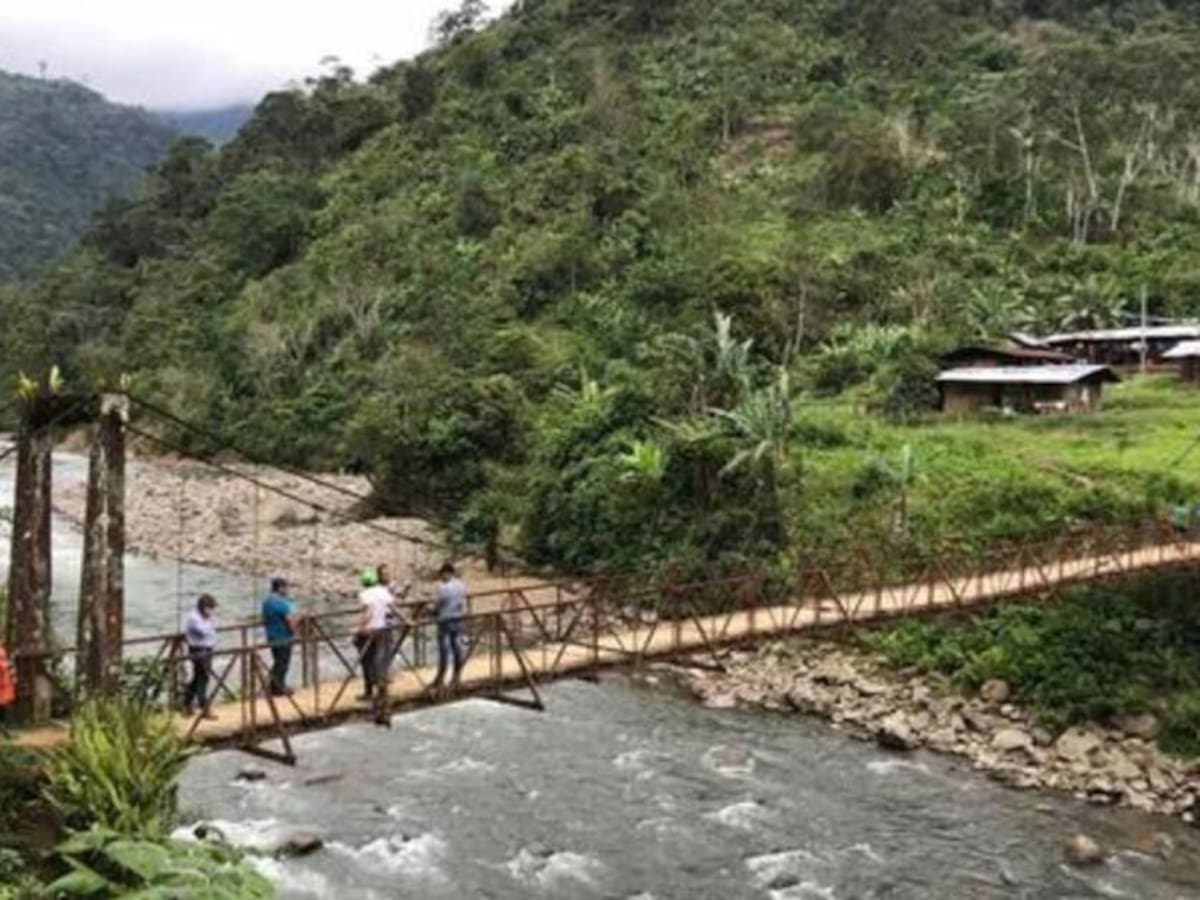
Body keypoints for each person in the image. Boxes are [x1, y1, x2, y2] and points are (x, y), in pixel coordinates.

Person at [355, 568, 395, 701]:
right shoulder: (383, 592)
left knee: (367, 661)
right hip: (383, 629)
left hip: (369, 631)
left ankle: (369, 691)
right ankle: (382, 690)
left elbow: (368, 612)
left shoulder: (364, 594)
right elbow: (392, 606)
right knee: (380, 659)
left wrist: (359, 627)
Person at [431, 562, 468, 691]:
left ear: (446, 573)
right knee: (457, 648)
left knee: (444, 650)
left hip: (445, 621)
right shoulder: (461, 585)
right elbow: (463, 602)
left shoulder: (442, 587)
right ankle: (456, 676)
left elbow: (437, 606)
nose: (441, 576)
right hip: (458, 619)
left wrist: (429, 611)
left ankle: (440, 679)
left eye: (442, 574)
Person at [262, 576, 300, 696]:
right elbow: (290, 620)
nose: (287, 590)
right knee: (283, 663)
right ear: (280, 588)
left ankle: (273, 685)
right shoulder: (280, 603)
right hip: (283, 636)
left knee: (278, 661)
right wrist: (296, 633)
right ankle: (279, 687)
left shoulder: (267, 601)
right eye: (285, 587)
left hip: (272, 635)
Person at [182, 594, 219, 718]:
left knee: (198, 677)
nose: (212, 611)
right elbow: (204, 632)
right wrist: (210, 621)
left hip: (207, 649)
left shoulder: (206, 617)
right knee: (203, 677)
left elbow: (213, 629)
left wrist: (210, 621)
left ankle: (187, 703)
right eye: (210, 608)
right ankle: (204, 707)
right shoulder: (194, 618)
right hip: (198, 649)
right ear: (204, 607)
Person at [0, 641, 14, 731]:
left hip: (4, 681)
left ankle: (3, 726)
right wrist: (5, 665)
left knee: (4, 703)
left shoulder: (2, 649)